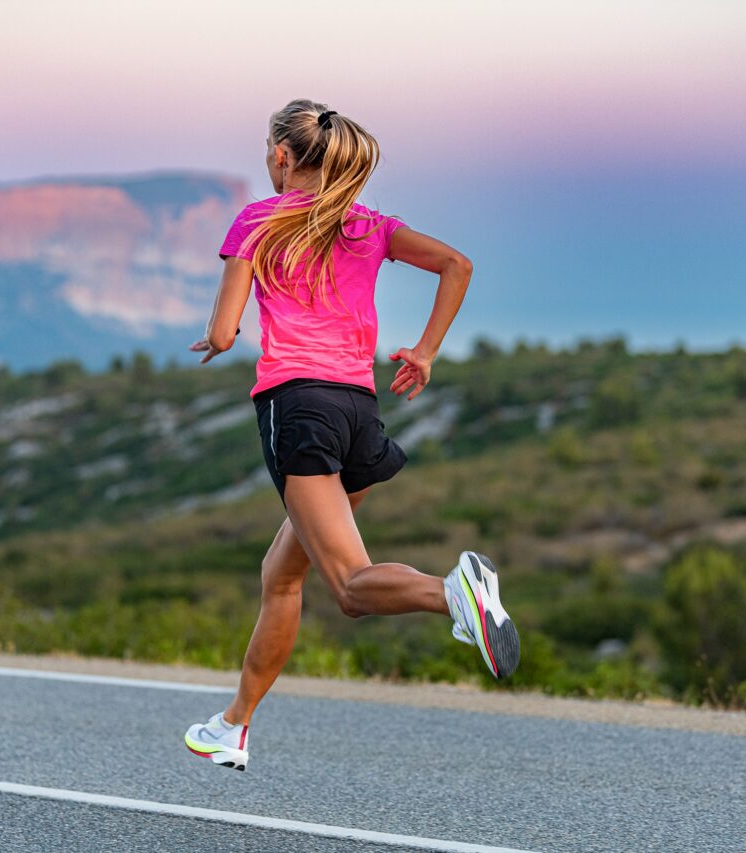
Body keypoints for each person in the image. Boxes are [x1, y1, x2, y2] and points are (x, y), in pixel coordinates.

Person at [183, 99, 519, 772]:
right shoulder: (367, 223)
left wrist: (218, 341)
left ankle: (453, 591)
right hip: (357, 409)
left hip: (298, 406)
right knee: (281, 576)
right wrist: (424, 351)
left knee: (351, 586)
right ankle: (233, 726)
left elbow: (224, 331)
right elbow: (458, 264)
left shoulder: (259, 219)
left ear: (282, 155)